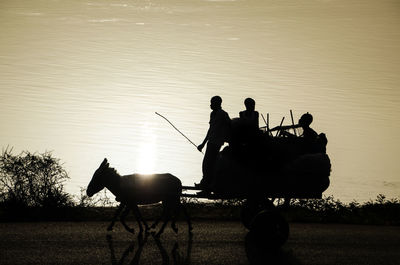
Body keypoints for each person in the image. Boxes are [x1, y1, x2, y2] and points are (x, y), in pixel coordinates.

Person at [196, 96, 231, 193]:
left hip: (217, 142)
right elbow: (210, 129)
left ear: (218, 103)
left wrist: (225, 137)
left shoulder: (223, 114)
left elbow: (229, 125)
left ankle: (206, 186)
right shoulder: (212, 114)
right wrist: (203, 144)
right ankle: (205, 183)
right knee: (206, 164)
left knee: (209, 164)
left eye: (212, 103)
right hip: (210, 142)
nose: (210, 105)